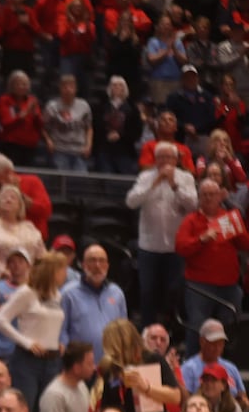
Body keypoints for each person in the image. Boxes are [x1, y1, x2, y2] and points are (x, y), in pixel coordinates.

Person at [126, 141, 197, 328]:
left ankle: (169, 331)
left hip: (175, 247)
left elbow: (193, 206)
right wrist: (154, 183)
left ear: (175, 160)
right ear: (155, 159)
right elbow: (131, 201)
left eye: (169, 157)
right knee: (148, 292)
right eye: (161, 157)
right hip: (149, 246)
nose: (165, 161)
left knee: (172, 292)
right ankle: (147, 331)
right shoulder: (145, 177)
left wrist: (174, 184)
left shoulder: (186, 178)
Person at [174, 179, 249, 353]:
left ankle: (226, 366)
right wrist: (201, 239)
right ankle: (192, 364)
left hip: (229, 286)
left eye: (212, 194)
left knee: (229, 329)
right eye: (204, 195)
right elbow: (180, 247)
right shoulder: (191, 220)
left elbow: (245, 245)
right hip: (200, 286)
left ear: (219, 196)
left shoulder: (227, 218)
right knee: (197, 328)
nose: (208, 198)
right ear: (199, 197)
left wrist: (238, 224)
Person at [96, 319, 182, 412]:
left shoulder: (153, 360)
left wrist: (146, 387)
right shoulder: (111, 369)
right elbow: (106, 408)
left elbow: (175, 397)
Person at [0, 253, 67, 412]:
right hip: (28, 360)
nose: (66, 274)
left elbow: (52, 322)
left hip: (53, 360)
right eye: (63, 269)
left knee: (48, 410)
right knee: (25, 408)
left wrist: (57, 341)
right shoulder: (26, 292)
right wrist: (26, 342)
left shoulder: (57, 295)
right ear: (52, 271)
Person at [59, 244, 126, 360]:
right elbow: (61, 332)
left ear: (107, 266)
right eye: (92, 260)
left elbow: (124, 330)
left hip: (111, 365)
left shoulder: (117, 293)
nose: (97, 265)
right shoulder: (68, 294)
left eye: (101, 261)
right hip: (79, 365)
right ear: (83, 265)